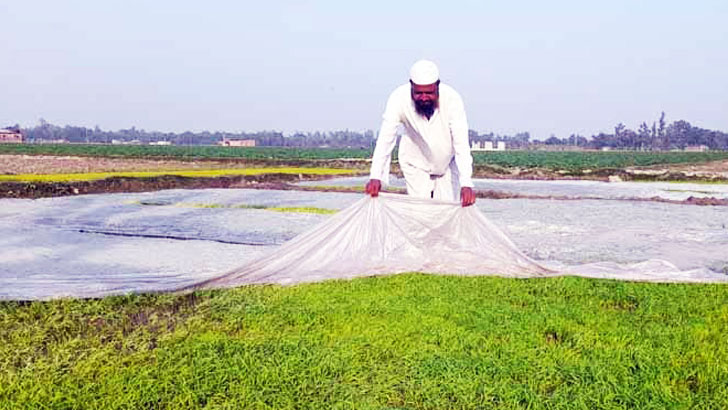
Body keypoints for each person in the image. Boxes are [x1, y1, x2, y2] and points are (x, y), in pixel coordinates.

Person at [365, 60, 476, 207]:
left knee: (445, 211)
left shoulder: (452, 99)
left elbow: (461, 143)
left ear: (437, 87)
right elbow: (386, 139)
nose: (424, 98)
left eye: (429, 93)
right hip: (415, 162)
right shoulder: (398, 98)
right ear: (411, 86)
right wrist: (375, 176)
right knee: (419, 211)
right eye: (419, 93)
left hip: (448, 162)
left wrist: (466, 183)